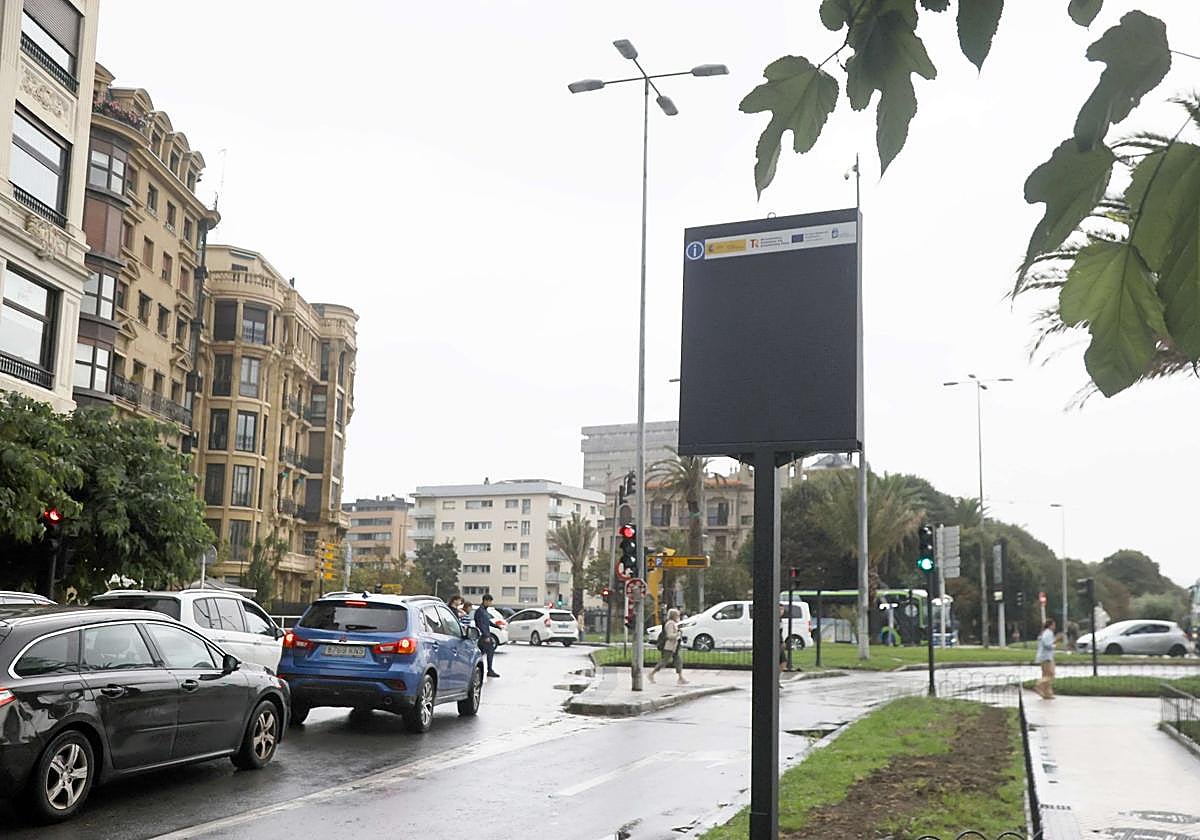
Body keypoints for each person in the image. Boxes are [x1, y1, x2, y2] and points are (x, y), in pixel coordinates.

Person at [649, 608, 687, 685]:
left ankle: (680, 678)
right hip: (669, 646)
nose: (678, 617)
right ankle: (651, 674)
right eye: (677, 615)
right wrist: (678, 634)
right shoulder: (670, 624)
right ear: (674, 616)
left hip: (674, 646)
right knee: (664, 661)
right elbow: (669, 636)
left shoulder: (672, 623)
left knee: (678, 661)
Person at [474, 593, 500, 678]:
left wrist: (496, 626)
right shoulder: (480, 611)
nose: (490, 603)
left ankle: (478, 669)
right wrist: (486, 636)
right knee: (489, 651)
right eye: (489, 601)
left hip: (484, 635)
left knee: (480, 653)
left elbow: (487, 622)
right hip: (482, 635)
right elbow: (481, 624)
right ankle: (489, 670)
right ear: (485, 601)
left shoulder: (484, 610)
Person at [1034, 618, 1058, 699]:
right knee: (1051, 675)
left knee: (1045, 674)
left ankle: (1047, 693)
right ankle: (1039, 684)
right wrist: (1054, 645)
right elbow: (1047, 644)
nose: (1055, 627)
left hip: (1043, 656)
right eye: (1054, 625)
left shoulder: (1044, 633)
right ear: (1050, 625)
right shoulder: (1048, 633)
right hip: (1047, 657)